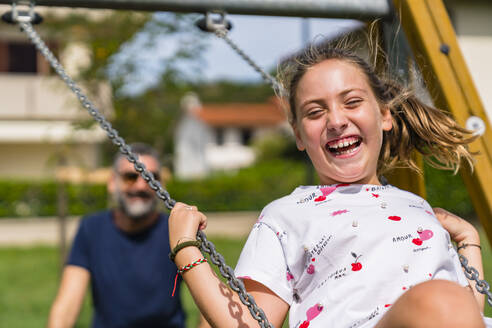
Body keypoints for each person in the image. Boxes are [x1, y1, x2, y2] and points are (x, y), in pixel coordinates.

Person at [167, 37, 492, 328]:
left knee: (444, 301)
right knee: (439, 300)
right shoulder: (285, 216)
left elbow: (465, 316)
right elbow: (250, 322)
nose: (336, 121)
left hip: (438, 312)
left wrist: (469, 243)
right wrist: (186, 249)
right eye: (315, 112)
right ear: (297, 134)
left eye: (351, 102)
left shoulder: (416, 207)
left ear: (384, 115)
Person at [48, 143, 186, 328]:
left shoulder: (176, 232)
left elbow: (209, 300)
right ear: (112, 183)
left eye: (151, 178)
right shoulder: (92, 229)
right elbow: (66, 307)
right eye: (131, 177)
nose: (141, 186)